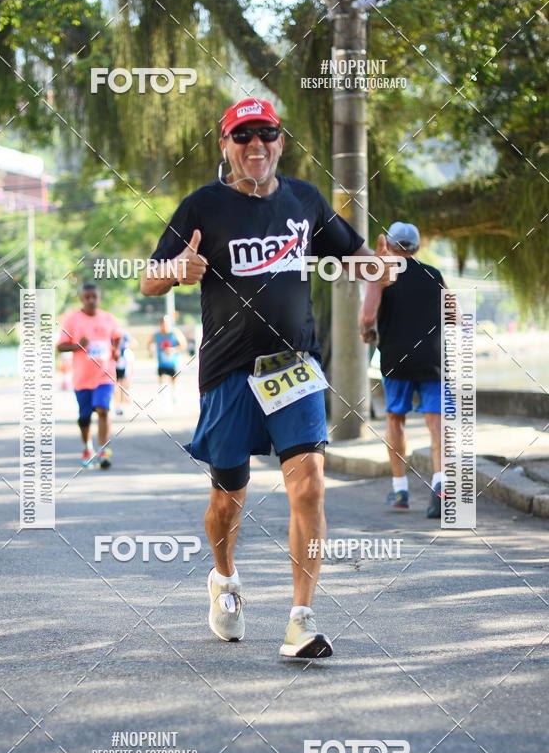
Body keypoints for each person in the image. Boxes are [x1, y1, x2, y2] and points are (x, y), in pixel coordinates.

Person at [141, 97, 401, 658]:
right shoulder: (201, 207)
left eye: (266, 134)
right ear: (225, 145)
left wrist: (381, 267)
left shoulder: (305, 200)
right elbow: (148, 281)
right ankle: (225, 580)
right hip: (229, 371)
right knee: (229, 496)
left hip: (296, 368)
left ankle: (301, 620)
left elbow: (356, 258)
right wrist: (173, 270)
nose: (255, 145)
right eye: (243, 136)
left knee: (308, 485)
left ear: (281, 142)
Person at [359, 221, 445, 519]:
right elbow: (455, 315)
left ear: (391, 246)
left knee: (396, 419)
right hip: (432, 358)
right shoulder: (435, 275)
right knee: (436, 424)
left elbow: (368, 317)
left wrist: (367, 333)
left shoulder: (383, 274)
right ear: (417, 247)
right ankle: (440, 487)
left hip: (395, 357)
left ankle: (400, 490)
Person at [57, 283, 122, 468]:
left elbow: (118, 336)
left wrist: (116, 350)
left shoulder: (108, 318)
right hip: (82, 378)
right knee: (84, 417)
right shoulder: (72, 320)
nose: (91, 300)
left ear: (99, 297)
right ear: (82, 299)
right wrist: (77, 346)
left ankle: (103, 451)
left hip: (105, 374)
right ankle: (87, 448)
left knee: (103, 409)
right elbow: (60, 345)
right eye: (87, 297)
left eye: (94, 296)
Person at [152, 315, 187, 399]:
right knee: (162, 381)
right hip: (161, 363)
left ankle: (175, 396)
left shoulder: (175, 333)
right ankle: (165, 399)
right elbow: (150, 344)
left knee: (174, 381)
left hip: (173, 362)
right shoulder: (156, 335)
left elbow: (184, 346)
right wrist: (151, 349)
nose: (165, 326)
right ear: (160, 324)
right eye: (163, 323)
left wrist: (173, 349)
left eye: (167, 323)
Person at [114, 332, 136, 416]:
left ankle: (121, 406)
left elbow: (131, 365)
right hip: (116, 365)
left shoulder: (127, 351)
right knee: (117, 388)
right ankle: (118, 406)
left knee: (122, 387)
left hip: (123, 366)